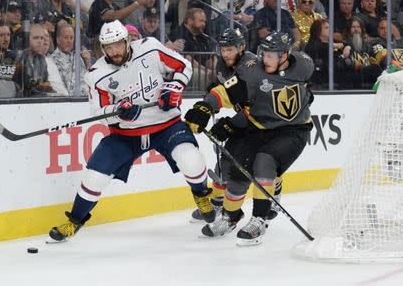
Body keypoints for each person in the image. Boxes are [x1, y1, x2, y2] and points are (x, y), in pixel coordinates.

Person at [49, 20, 215, 241]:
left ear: (127, 41)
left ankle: (202, 196)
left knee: (191, 160)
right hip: (126, 135)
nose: (115, 51)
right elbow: (99, 110)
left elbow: (183, 66)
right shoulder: (96, 74)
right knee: (93, 177)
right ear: (102, 47)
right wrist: (118, 111)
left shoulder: (151, 48)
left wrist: (173, 87)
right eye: (109, 47)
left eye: (118, 44)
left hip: (166, 125)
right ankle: (74, 221)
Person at [185, 31, 314, 246]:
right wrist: (205, 107)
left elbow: (305, 85)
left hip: (294, 130)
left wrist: (307, 94)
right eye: (265, 54)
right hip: (259, 127)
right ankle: (230, 216)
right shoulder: (253, 71)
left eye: (272, 55)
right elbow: (224, 92)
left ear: (285, 55)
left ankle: (260, 219)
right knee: (238, 167)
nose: (266, 59)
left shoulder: (303, 65)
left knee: (264, 161)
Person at [188, 28, 284, 224]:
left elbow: (257, 105)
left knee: (267, 163)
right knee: (226, 161)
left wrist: (232, 123)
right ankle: (216, 202)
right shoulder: (224, 64)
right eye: (223, 49)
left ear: (242, 47)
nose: (225, 54)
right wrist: (211, 93)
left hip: (268, 122)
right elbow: (225, 86)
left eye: (230, 49)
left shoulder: (252, 67)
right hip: (247, 118)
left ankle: (274, 196)